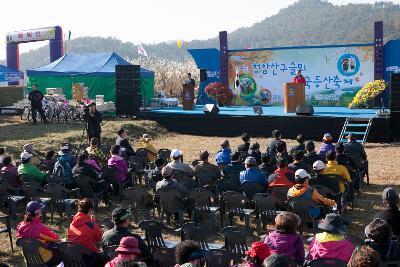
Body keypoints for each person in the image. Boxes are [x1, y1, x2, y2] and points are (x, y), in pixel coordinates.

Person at [17, 201, 61, 266]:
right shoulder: (40, 227)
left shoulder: (21, 225)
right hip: (45, 259)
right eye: (40, 210)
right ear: (38, 213)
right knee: (63, 253)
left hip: (30, 259)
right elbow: (56, 238)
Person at [67, 198, 108, 267]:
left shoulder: (73, 222)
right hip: (87, 258)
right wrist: (94, 222)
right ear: (90, 210)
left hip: (74, 258)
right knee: (108, 257)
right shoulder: (91, 224)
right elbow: (100, 238)